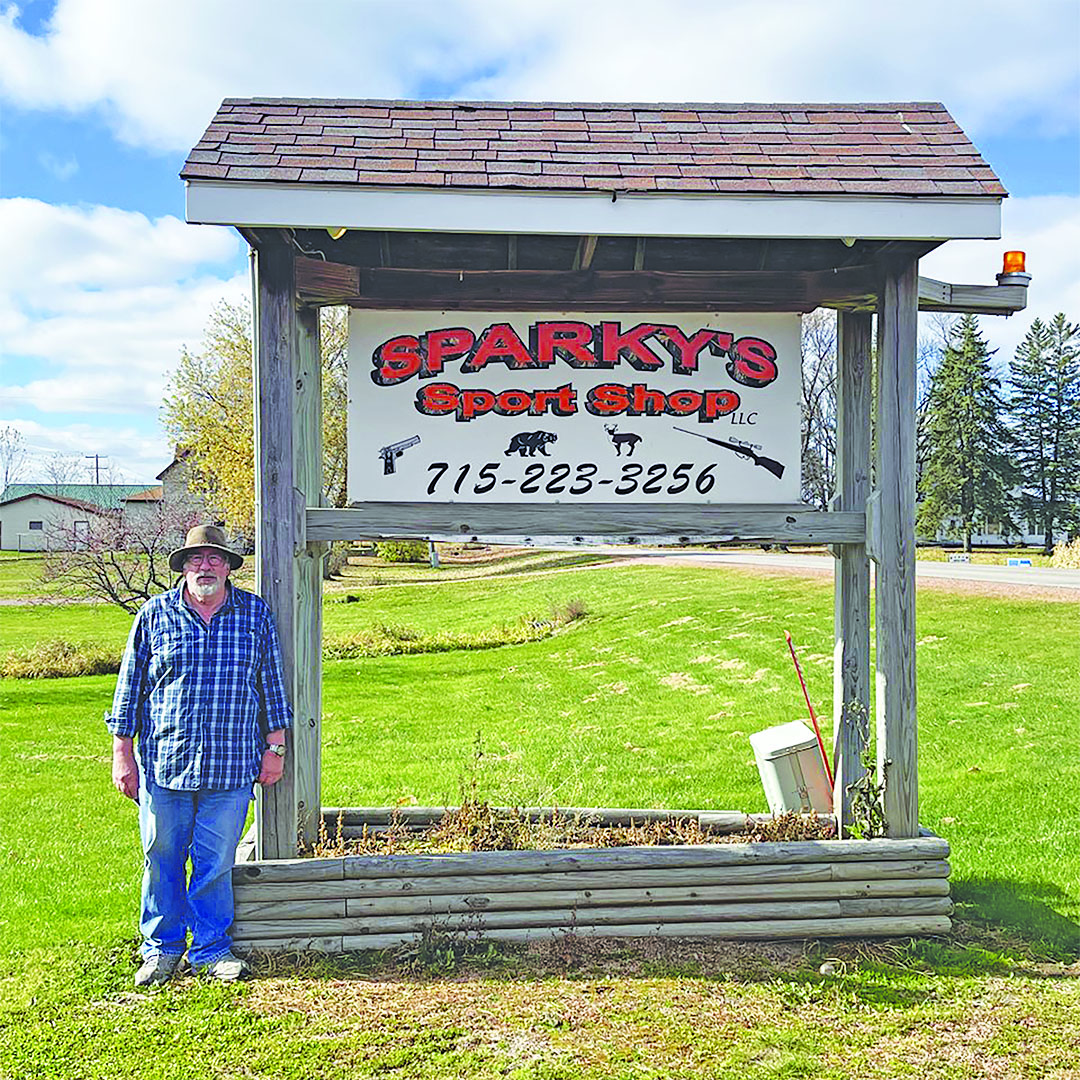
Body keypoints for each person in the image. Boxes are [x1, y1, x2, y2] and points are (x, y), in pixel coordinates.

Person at [106, 524, 293, 987]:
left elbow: (270, 683)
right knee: (161, 857)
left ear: (228, 566)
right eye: (196, 559)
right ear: (183, 567)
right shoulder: (154, 615)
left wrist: (275, 747)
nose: (205, 566)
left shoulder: (254, 614)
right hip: (165, 763)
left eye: (214, 559)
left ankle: (211, 950)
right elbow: (129, 688)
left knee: (215, 863)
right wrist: (121, 753)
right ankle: (161, 949)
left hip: (231, 764)